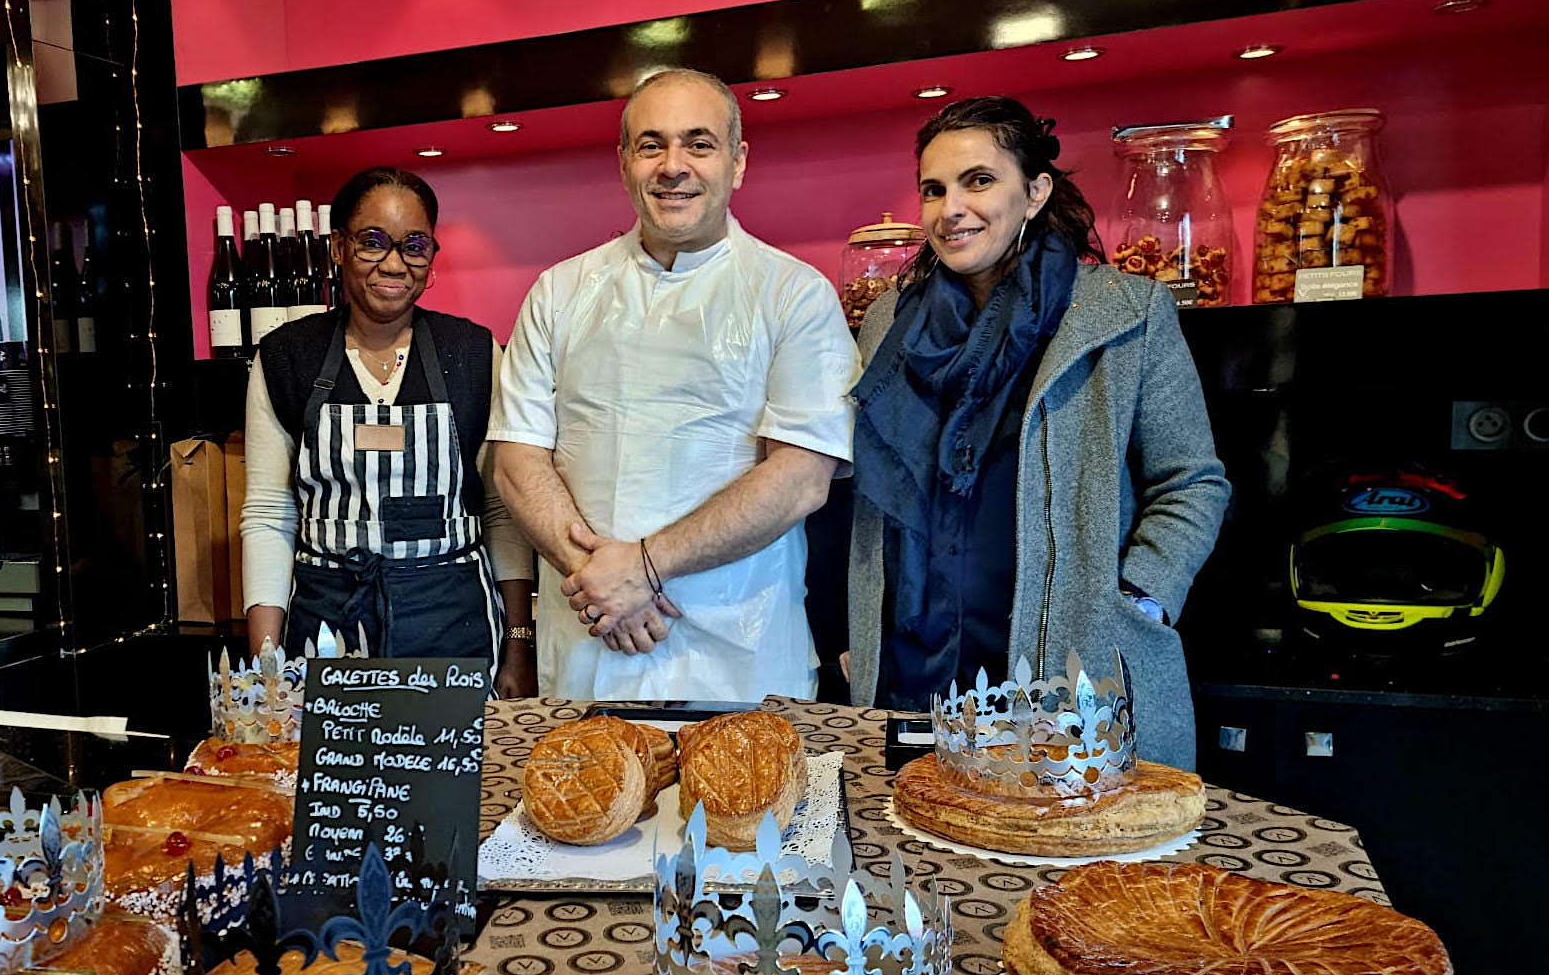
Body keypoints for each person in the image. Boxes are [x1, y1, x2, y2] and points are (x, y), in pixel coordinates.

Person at [847, 96, 1229, 768]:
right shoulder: (888, 323)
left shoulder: (1122, 312)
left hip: (1068, 665)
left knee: (1069, 864)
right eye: (932, 190)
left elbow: (1190, 481)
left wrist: (1140, 601)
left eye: (978, 180)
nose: (949, 209)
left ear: (1035, 192)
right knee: (913, 857)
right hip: (915, 666)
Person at [490, 68, 856, 701]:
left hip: (740, 652)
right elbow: (517, 459)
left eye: (700, 143)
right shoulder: (559, 291)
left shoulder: (794, 294)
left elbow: (800, 476)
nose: (673, 165)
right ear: (625, 161)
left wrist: (646, 567)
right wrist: (600, 581)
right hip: (587, 635)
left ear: (738, 162)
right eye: (651, 144)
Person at [241, 167, 537, 696]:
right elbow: (269, 514)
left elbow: (500, 511)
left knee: (450, 778)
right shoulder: (287, 357)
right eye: (372, 242)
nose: (394, 263)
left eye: (414, 245)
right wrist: (267, 666)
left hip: (452, 625)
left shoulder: (472, 354)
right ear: (337, 247)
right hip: (329, 625)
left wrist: (518, 645)